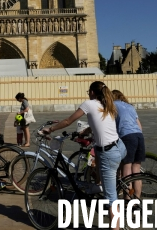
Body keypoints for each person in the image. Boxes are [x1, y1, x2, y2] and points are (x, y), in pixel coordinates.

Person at [41, 81, 126, 230]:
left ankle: (116, 227)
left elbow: (68, 120)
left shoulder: (89, 103)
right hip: (119, 146)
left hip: (108, 153)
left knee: (111, 198)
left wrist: (51, 129)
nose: (88, 94)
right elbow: (99, 123)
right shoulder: (107, 104)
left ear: (92, 92)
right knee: (98, 163)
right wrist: (86, 132)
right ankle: (100, 186)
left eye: (89, 91)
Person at [113, 90, 145, 198]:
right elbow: (140, 126)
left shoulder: (113, 105)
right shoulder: (130, 106)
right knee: (136, 170)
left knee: (126, 169)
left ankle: (127, 200)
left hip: (127, 136)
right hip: (139, 135)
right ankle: (137, 198)